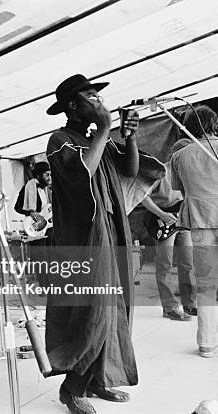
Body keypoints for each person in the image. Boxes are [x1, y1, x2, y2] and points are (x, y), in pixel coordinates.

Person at [44, 74, 164, 414]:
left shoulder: (99, 139)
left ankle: (98, 380)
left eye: (99, 97)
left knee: (117, 309)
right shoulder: (61, 141)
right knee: (93, 311)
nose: (99, 103)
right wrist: (105, 127)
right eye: (91, 97)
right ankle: (72, 388)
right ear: (73, 106)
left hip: (113, 234)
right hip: (84, 241)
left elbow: (129, 168)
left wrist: (129, 137)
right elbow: (81, 175)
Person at [171, 105, 218, 358]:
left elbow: (177, 188)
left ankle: (207, 344)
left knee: (207, 285)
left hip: (200, 221)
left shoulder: (180, 155)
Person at [141, 159, 196, 321]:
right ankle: (169, 307)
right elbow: (143, 196)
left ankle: (189, 304)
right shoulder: (160, 171)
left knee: (188, 264)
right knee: (165, 264)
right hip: (164, 221)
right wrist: (161, 214)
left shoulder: (188, 171)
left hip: (182, 222)